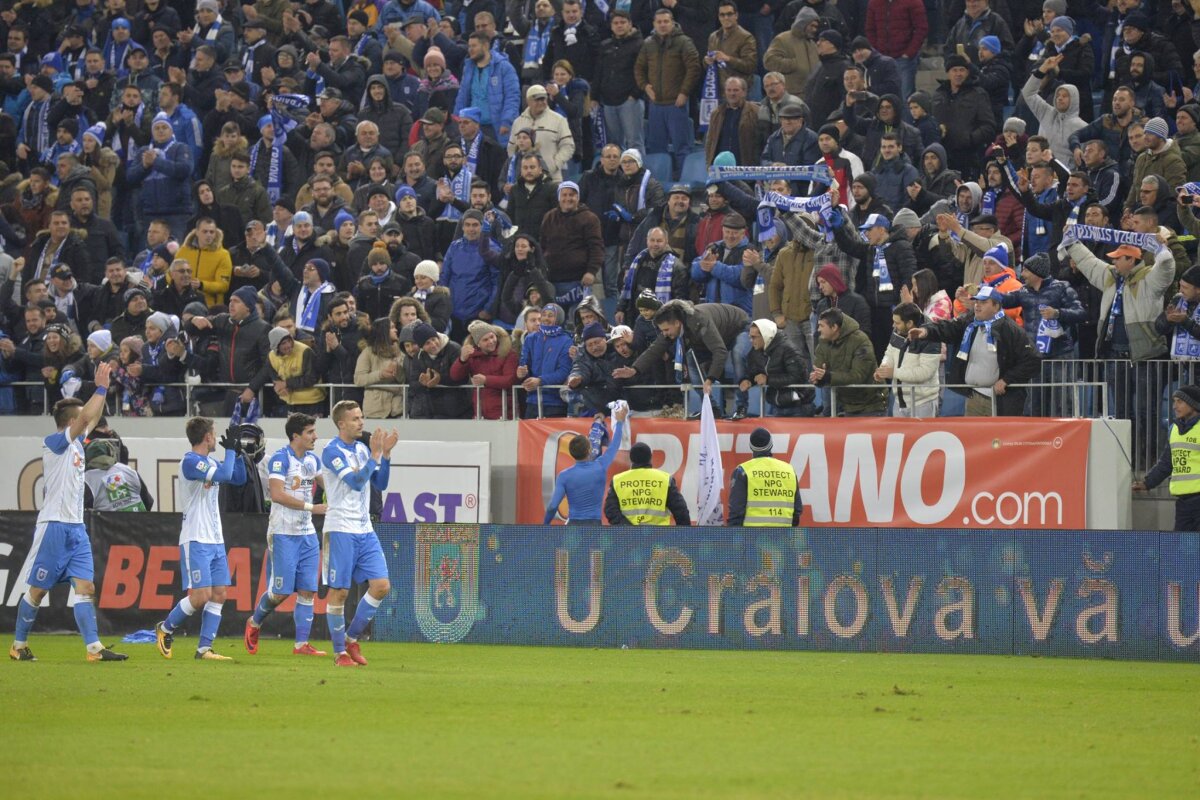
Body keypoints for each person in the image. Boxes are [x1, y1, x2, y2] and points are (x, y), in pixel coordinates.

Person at [9, 364, 127, 663]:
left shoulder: (76, 445)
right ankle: (18, 645)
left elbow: (92, 415)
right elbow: (89, 415)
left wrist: (103, 391)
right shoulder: (54, 444)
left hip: (76, 527)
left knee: (86, 587)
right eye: (80, 419)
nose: (86, 422)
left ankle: (94, 649)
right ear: (71, 421)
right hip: (54, 526)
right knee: (37, 590)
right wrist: (100, 387)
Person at [154, 417, 247, 661]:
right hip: (195, 538)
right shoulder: (190, 462)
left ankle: (204, 649)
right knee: (200, 596)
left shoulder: (209, 461)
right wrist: (229, 451)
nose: (216, 438)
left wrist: (238, 454)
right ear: (207, 437)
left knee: (219, 594)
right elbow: (226, 475)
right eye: (214, 434)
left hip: (215, 539)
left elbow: (238, 478)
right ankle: (165, 629)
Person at [244, 413, 329, 657]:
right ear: (296, 436)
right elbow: (277, 495)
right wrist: (313, 508)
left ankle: (301, 645)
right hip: (283, 532)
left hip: (307, 534)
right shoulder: (280, 459)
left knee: (307, 590)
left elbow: (329, 487)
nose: (315, 436)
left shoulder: (313, 460)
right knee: (280, 593)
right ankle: (254, 622)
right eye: (310, 432)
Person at [320, 401, 398, 667]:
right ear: (341, 423)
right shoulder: (332, 451)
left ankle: (351, 639)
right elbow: (354, 482)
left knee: (381, 586)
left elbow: (380, 483)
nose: (361, 422)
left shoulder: (364, 450)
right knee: (339, 592)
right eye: (355, 418)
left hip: (365, 529)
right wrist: (375, 455)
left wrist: (384, 455)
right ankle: (339, 653)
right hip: (341, 528)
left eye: (361, 417)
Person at [909, 285, 1040, 416]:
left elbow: (1032, 360)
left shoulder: (1011, 330)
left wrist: (1007, 380)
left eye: (983, 302)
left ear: (996, 306)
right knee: (973, 436)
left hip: (1000, 401)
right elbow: (948, 327)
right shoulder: (970, 321)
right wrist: (926, 331)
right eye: (976, 301)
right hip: (974, 398)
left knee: (998, 436)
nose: (977, 305)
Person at [635, 9, 701, 173]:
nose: (663, 25)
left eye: (666, 21)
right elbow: (638, 67)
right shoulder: (648, 43)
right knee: (656, 148)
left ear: (672, 22)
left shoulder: (684, 42)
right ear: (654, 24)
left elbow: (694, 68)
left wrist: (684, 92)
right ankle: (657, 182)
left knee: (681, 147)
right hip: (656, 105)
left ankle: (682, 183)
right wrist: (645, 86)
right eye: (659, 22)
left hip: (676, 104)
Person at [543, 404, 629, 524]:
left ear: (571, 453)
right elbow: (614, 445)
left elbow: (553, 506)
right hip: (594, 525)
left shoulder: (564, 476)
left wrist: (544, 525)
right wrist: (620, 422)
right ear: (589, 450)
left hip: (573, 527)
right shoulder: (600, 467)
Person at [1134, 386, 1200, 530]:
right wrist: (1147, 483)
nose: (1174, 406)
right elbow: (1166, 463)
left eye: (1180, 402)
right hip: (1183, 503)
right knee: (1183, 550)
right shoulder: (1173, 429)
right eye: (1174, 401)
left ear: (1193, 404)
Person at [727, 427, 803, 526]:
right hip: (784, 537)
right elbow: (797, 510)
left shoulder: (743, 471)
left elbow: (736, 512)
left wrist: (735, 538)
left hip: (752, 538)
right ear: (771, 445)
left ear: (751, 447)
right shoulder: (789, 470)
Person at [876, 302, 941, 418]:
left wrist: (893, 373)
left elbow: (925, 372)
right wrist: (883, 367)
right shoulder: (898, 331)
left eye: (897, 323)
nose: (893, 326)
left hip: (923, 404)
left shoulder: (931, 337)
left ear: (910, 323)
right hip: (899, 402)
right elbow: (889, 353)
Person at [604, 441, 691, 525]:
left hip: (629, 538)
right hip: (660, 536)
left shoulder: (618, 480)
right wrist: (683, 536)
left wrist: (628, 529)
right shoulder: (665, 479)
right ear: (650, 457)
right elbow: (681, 511)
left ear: (631, 458)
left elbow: (610, 510)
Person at [83, 438, 153, 511]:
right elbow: (148, 502)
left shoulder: (87, 479)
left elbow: (80, 511)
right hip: (140, 521)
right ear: (112, 453)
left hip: (107, 522)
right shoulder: (128, 470)